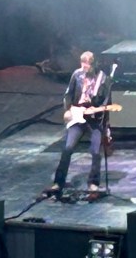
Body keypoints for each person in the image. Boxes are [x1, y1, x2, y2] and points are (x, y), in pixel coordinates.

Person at [44, 51, 110, 198]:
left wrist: (98, 112)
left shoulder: (103, 78)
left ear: (94, 64)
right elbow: (68, 94)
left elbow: (106, 103)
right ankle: (58, 182)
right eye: (83, 63)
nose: (85, 67)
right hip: (77, 116)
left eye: (88, 64)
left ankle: (93, 183)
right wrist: (67, 110)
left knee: (95, 151)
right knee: (68, 148)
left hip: (94, 119)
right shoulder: (77, 74)